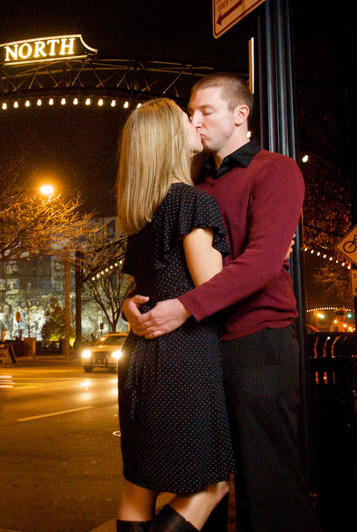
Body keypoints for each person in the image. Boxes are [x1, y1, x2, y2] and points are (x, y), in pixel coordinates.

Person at [123, 73, 322, 532]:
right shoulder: (194, 186)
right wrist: (130, 304)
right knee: (201, 482)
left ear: (240, 114)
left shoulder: (276, 170)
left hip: (258, 341)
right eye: (191, 112)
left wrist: (185, 306)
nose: (195, 121)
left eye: (206, 111)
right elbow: (160, 264)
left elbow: (262, 263)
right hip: (201, 348)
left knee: (269, 479)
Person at [114, 98, 234, 532]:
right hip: (185, 360)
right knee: (212, 485)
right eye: (187, 118)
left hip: (141, 361)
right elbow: (213, 289)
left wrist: (130, 308)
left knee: (138, 486)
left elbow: (138, 289)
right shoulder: (192, 202)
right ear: (170, 136)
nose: (195, 123)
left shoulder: (140, 211)